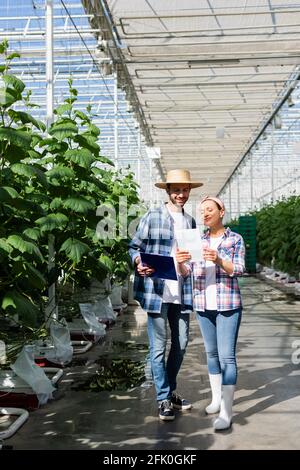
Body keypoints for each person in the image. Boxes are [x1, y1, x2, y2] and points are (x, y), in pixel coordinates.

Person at [128, 169, 203, 421]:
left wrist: (188, 262)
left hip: (181, 292)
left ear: (189, 192)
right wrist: (139, 262)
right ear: (168, 191)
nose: (180, 195)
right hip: (157, 292)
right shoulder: (152, 216)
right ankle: (163, 398)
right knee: (158, 348)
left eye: (185, 190)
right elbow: (134, 247)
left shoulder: (191, 222)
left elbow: (193, 260)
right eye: (176, 190)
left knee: (181, 345)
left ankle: (170, 392)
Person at [176, 196, 245, 430]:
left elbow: (239, 269)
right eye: (201, 211)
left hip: (227, 305)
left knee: (227, 357)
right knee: (212, 354)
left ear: (221, 211)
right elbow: (188, 273)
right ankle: (216, 400)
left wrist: (218, 259)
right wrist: (180, 263)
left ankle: (226, 411)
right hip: (203, 304)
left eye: (209, 210)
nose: (205, 214)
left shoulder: (234, 239)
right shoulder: (198, 239)